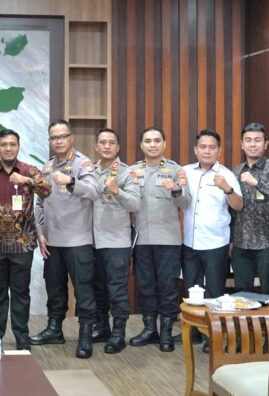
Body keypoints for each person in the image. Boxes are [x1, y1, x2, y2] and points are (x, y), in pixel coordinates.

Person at [0, 129, 51, 351]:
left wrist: (28, 181)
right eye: (4, 144)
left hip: (22, 245)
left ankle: (22, 338)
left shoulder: (29, 171)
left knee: (21, 294)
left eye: (12, 144)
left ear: (18, 146)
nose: (8, 148)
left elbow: (47, 190)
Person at [30, 120, 99, 358]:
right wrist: (40, 233)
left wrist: (70, 182)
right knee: (54, 288)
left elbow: (94, 191)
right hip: (52, 240)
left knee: (84, 291)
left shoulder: (82, 163)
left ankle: (85, 335)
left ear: (71, 138)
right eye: (54, 137)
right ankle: (54, 329)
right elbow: (40, 202)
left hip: (78, 240)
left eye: (62, 136)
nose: (58, 141)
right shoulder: (48, 166)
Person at [129, 127, 190, 352]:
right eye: (148, 141)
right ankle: (149, 330)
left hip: (168, 241)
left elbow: (186, 203)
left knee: (167, 287)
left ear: (164, 144)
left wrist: (176, 190)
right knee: (145, 286)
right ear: (141, 145)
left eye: (157, 140)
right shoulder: (133, 171)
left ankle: (165, 332)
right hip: (142, 239)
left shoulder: (176, 170)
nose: (152, 145)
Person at [182, 129, 243, 352]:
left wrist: (227, 189)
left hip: (216, 242)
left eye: (211, 147)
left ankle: (213, 336)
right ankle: (194, 332)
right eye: (203, 147)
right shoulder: (186, 171)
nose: (207, 151)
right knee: (191, 288)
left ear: (218, 150)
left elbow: (238, 205)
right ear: (195, 150)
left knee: (215, 290)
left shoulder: (226, 174)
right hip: (190, 241)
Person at [89, 128, 140, 355]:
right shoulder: (89, 171)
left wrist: (117, 191)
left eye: (111, 142)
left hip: (117, 241)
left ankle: (119, 334)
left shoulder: (127, 173)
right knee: (97, 288)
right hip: (92, 240)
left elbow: (136, 205)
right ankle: (102, 328)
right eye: (103, 142)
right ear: (96, 147)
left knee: (117, 290)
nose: (107, 146)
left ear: (118, 147)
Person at [231, 123, 269, 296]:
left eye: (257, 140)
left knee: (268, 291)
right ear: (242, 144)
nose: (252, 144)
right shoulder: (236, 171)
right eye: (248, 140)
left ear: (265, 144)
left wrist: (256, 183)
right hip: (241, 241)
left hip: (267, 241)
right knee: (242, 292)